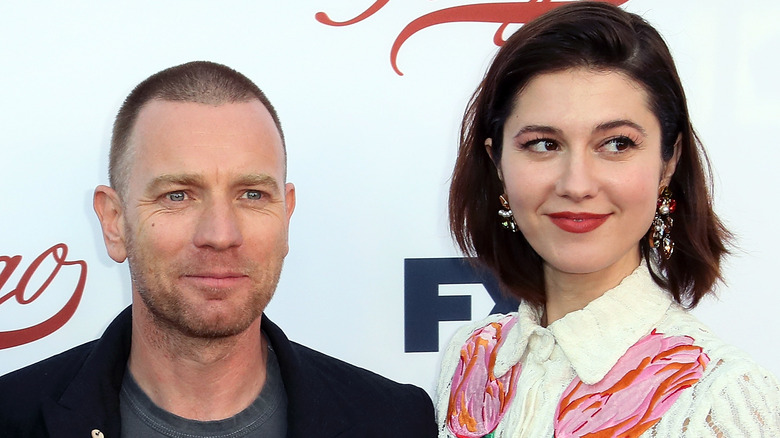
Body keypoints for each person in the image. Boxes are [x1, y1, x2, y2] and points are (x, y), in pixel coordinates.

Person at [0, 61, 436, 437]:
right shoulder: (12, 418)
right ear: (114, 222)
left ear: (286, 216)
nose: (220, 234)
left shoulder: (394, 422)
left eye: (251, 195)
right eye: (178, 195)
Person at [437, 2, 780, 437]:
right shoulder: (473, 358)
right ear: (498, 163)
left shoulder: (719, 397)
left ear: (669, 161)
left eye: (617, 143)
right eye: (543, 144)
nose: (577, 184)